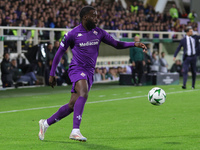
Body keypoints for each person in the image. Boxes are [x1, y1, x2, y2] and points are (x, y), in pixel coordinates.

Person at [38, 6, 146, 142]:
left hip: (89, 72)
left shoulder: (99, 32)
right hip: (76, 69)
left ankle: (45, 123)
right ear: (85, 18)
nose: (96, 18)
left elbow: (116, 44)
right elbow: (59, 54)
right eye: (93, 16)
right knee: (83, 93)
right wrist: (52, 74)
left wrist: (134, 44)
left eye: (96, 15)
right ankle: (75, 131)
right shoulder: (72, 34)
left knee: (72, 105)